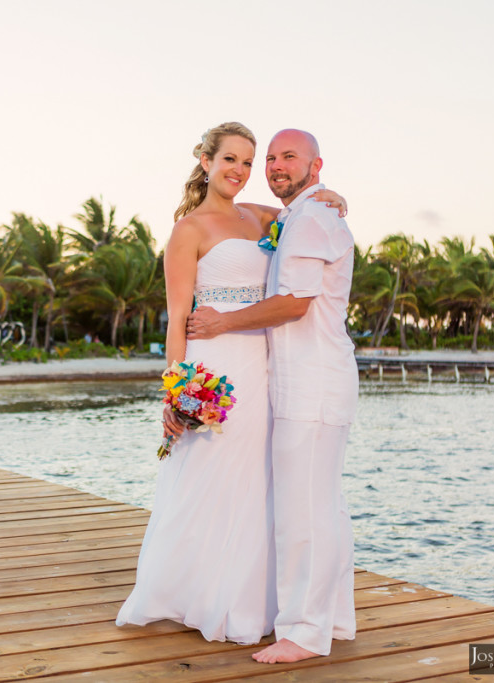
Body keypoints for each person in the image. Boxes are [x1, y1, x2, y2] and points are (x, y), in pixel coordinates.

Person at [115, 123, 345, 645]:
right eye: (230, 161)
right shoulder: (188, 230)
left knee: (259, 481)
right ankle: (194, 592)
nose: (240, 172)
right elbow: (176, 319)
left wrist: (331, 193)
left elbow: (306, 210)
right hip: (213, 361)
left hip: (264, 363)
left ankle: (252, 601)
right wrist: (177, 390)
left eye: (248, 162)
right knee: (207, 472)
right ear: (206, 161)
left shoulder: (266, 216)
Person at [187, 129, 358, 663]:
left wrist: (220, 323)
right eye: (274, 158)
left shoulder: (309, 218)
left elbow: (293, 303)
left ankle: (305, 634)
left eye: (291, 157)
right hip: (308, 380)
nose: (277, 166)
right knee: (321, 504)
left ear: (316, 164)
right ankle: (331, 618)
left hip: (313, 382)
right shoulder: (303, 215)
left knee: (305, 510)